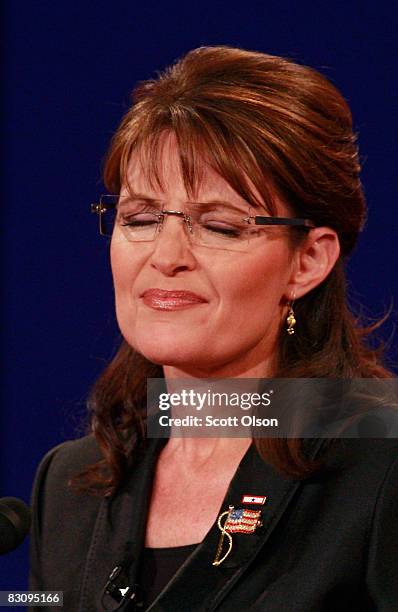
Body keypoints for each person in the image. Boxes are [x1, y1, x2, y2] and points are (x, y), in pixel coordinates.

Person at [29, 46, 398, 611]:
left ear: (308, 262)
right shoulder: (70, 485)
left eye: (220, 226)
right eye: (141, 219)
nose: (166, 255)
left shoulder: (381, 468)